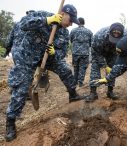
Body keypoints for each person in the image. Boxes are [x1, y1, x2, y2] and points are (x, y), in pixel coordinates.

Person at [5, 4, 83, 142]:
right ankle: (10, 122)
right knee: (22, 87)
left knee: (65, 69)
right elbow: (23, 24)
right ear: (63, 14)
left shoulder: (64, 32)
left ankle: (73, 95)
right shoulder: (43, 15)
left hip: (46, 57)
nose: (71, 24)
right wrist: (47, 20)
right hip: (26, 55)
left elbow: (63, 52)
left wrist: (55, 52)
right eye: (71, 20)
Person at [85, 22, 127, 102]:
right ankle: (93, 93)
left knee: (113, 68)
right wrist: (104, 66)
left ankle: (110, 91)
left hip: (114, 52)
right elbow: (95, 52)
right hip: (99, 51)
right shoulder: (99, 35)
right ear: (109, 33)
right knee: (95, 68)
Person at [70, 17, 93, 87]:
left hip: (75, 52)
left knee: (76, 67)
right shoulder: (89, 31)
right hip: (85, 53)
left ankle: (75, 81)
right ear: (84, 23)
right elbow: (91, 43)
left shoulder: (73, 31)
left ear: (77, 22)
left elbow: (71, 40)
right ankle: (80, 82)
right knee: (82, 68)